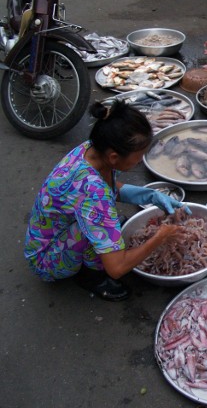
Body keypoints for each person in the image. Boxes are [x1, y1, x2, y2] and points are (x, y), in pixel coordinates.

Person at [24, 100, 190, 301]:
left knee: (104, 219)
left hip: (48, 235)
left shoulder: (90, 150)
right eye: (138, 158)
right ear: (113, 157)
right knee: (103, 227)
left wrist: (150, 195)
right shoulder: (94, 194)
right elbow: (117, 268)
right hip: (47, 260)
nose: (140, 162)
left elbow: (109, 188)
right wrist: (160, 237)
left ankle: (96, 249)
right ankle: (92, 278)